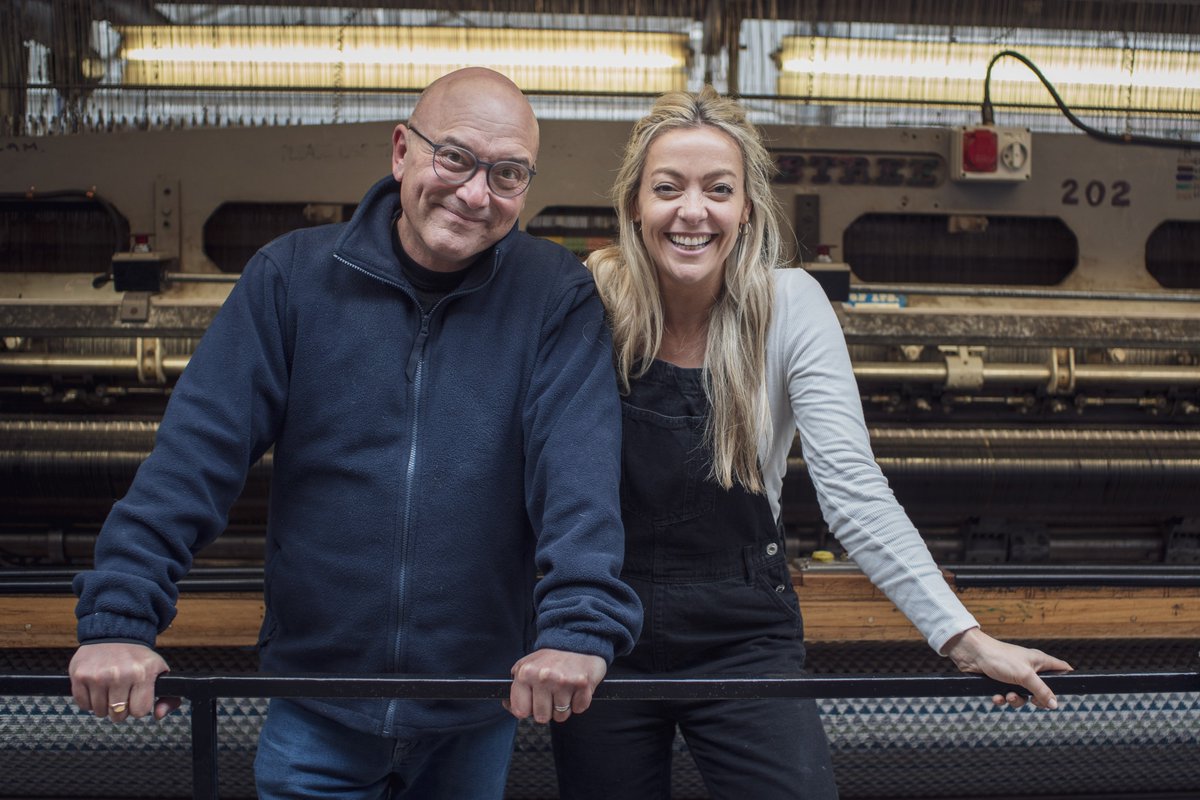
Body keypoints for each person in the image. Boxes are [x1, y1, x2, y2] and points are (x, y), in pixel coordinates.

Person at [67, 67, 642, 799]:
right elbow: (194, 458)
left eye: (507, 174)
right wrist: (120, 617)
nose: (475, 193)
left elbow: (578, 473)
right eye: (456, 158)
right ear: (402, 151)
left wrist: (575, 627)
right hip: (318, 704)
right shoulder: (292, 278)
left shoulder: (554, 296)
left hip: (472, 709)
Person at [550, 87, 1073, 799]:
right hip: (607, 626)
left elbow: (854, 492)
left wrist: (964, 638)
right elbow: (546, 473)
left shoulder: (791, 306)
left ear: (749, 209)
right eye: (667, 188)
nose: (692, 211)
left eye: (719, 190)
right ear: (636, 205)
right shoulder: (593, 300)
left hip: (742, 635)